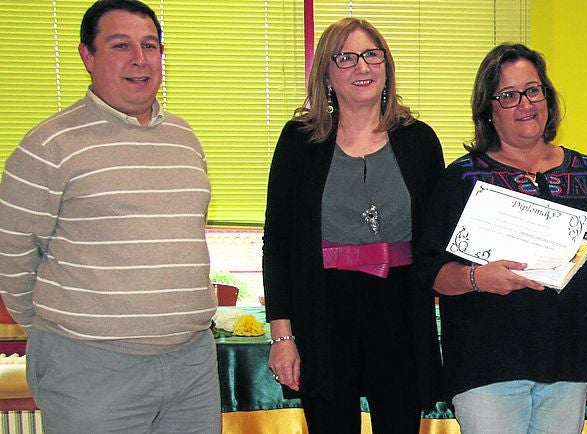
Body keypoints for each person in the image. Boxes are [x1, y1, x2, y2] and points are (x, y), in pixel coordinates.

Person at [0, 1, 220, 432]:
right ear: (88, 56)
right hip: (90, 368)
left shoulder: (183, 137)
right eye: (121, 45)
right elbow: (11, 257)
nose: (140, 59)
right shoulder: (48, 145)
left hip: (192, 363)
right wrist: (60, 331)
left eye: (150, 45)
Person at [415, 43, 587, 434]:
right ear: (489, 108)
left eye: (533, 89)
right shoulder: (462, 178)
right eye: (508, 95)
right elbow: (428, 271)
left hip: (568, 362)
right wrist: (478, 278)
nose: (524, 103)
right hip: (487, 366)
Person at [263, 17, 444, 433]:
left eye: (371, 55)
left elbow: (440, 238)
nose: (362, 67)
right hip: (323, 314)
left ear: (386, 66)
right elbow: (278, 242)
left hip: (400, 314)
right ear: (326, 73)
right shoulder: (299, 142)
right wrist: (282, 336)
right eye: (346, 58)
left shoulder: (419, 141)